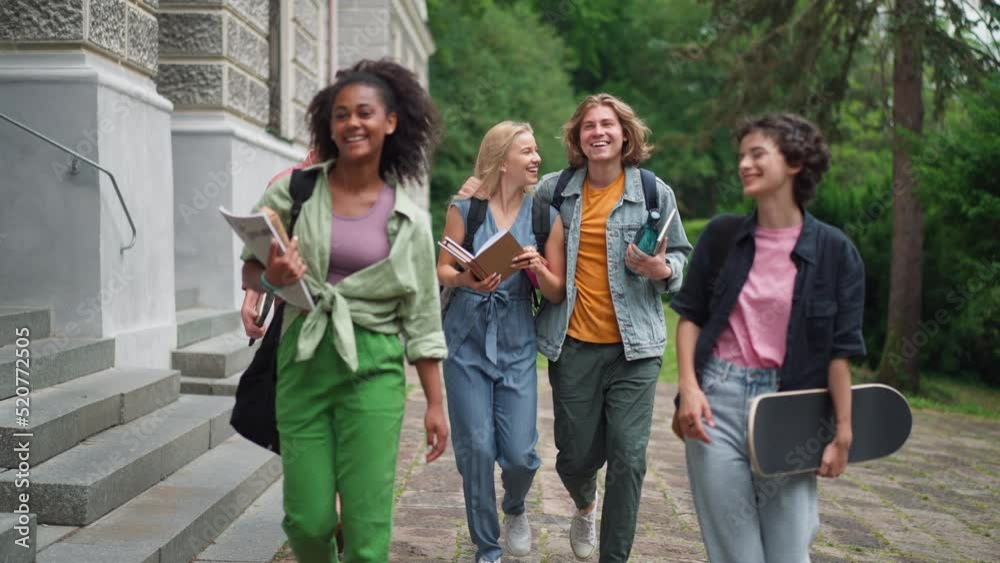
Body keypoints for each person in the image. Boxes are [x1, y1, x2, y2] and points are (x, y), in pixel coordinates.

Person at [461, 94, 692, 562]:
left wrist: (661, 269)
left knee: (628, 459)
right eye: (589, 126)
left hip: (636, 351)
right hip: (572, 346)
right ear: (578, 136)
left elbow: (682, 256)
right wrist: (472, 196)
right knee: (574, 458)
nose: (599, 132)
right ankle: (585, 502)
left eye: (608, 124)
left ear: (625, 134)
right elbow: (507, 203)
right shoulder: (555, 190)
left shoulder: (652, 191)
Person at [240, 58, 449, 563]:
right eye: (341, 114)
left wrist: (436, 405)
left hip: (373, 367)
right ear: (328, 125)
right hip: (304, 356)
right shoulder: (293, 193)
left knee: (366, 527)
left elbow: (422, 317)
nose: (352, 123)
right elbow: (251, 271)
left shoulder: (410, 220)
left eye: (365, 112)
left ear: (391, 121)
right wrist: (274, 278)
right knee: (308, 522)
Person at [670, 113, 866, 563]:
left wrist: (843, 433)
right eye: (741, 155)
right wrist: (689, 389)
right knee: (735, 552)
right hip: (716, 403)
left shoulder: (836, 253)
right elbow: (690, 317)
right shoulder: (722, 237)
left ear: (794, 162)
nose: (744, 164)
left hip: (790, 410)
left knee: (788, 551)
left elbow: (841, 353)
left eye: (758, 154)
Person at [437, 121, 566, 563]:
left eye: (535, 152)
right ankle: (487, 548)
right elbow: (443, 270)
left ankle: (515, 506)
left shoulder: (545, 216)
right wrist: (469, 278)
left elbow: (555, 291)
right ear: (501, 160)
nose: (536, 160)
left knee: (519, 455)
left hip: (515, 339)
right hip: (465, 336)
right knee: (475, 447)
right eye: (527, 152)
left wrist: (536, 268)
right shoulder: (466, 208)